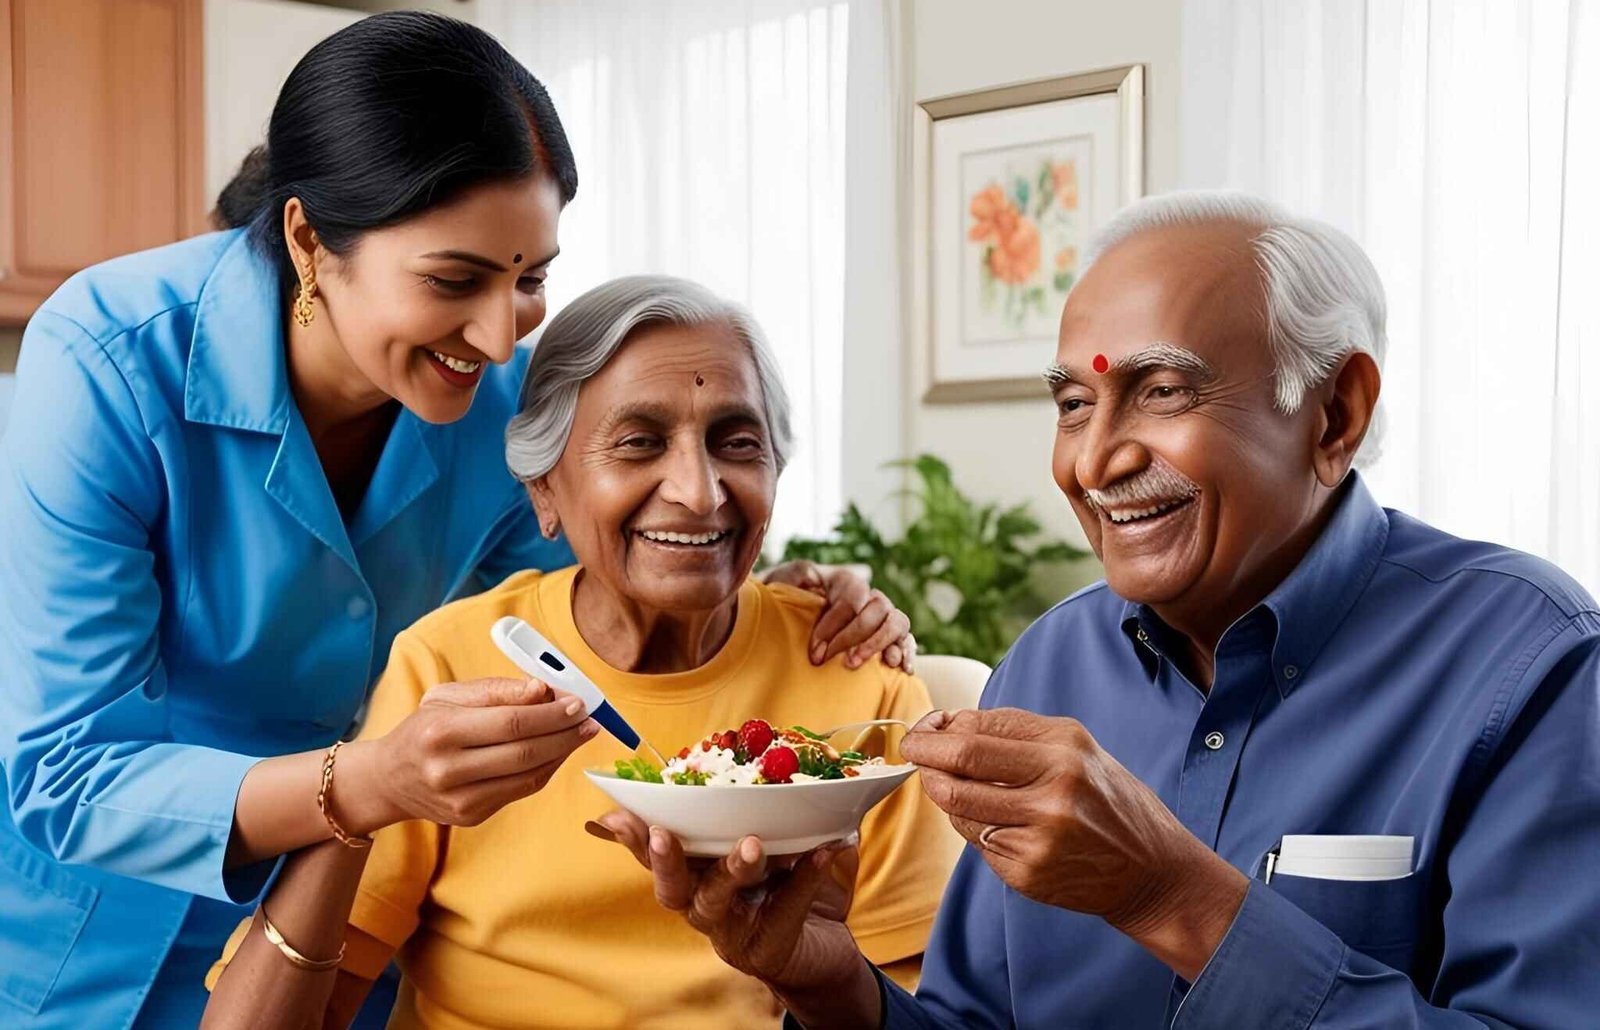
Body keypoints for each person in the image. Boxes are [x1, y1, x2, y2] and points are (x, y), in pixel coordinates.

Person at [0, 15, 911, 1028]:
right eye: (454, 280)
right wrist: (368, 781)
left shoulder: (498, 407)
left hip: (345, 923)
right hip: (101, 932)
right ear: (310, 240)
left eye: (531, 278)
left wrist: (772, 592)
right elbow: (64, 772)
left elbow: (569, 614)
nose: (499, 334)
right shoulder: (108, 360)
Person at [614, 191, 1600, 1028]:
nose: (1092, 463)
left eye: (1162, 391)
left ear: (1335, 413)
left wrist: (1172, 897)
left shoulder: (1532, 667)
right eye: (1074, 406)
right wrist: (826, 982)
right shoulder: (1048, 664)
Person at [200, 275, 954, 1029]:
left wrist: (811, 975)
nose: (699, 492)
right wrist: (363, 797)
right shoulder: (450, 668)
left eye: (737, 443)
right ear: (544, 491)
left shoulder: (864, 685)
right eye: (639, 443)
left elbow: (918, 1010)